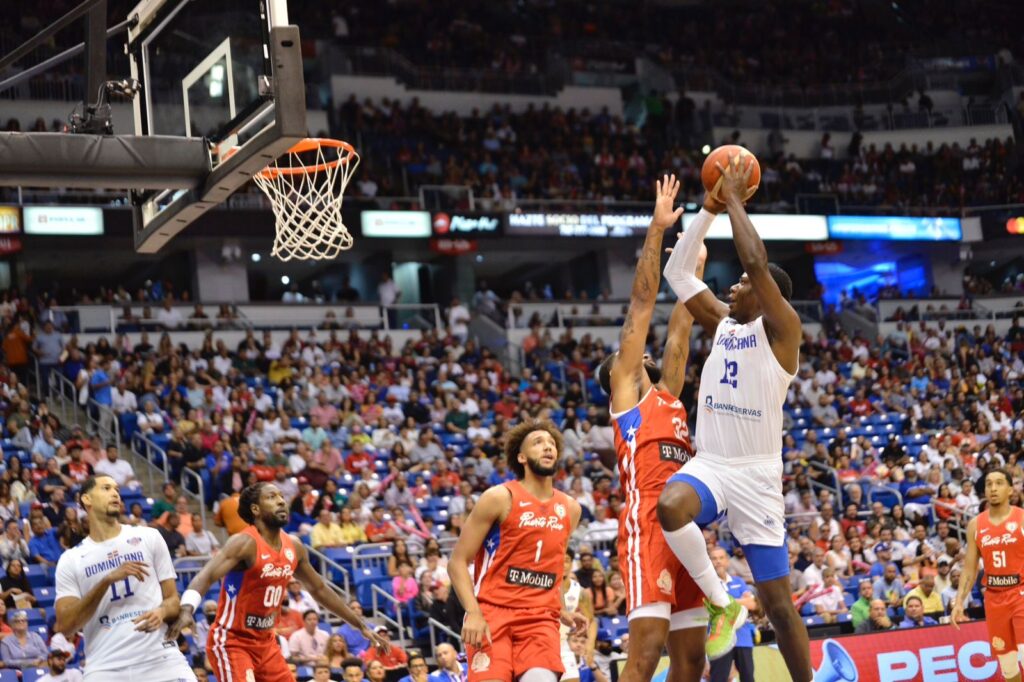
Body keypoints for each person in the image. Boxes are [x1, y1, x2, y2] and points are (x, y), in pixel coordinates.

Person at [658, 154, 810, 678]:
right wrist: (708, 209)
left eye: (741, 285)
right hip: (714, 464)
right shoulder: (722, 321)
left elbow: (758, 266)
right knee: (671, 505)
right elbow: (676, 271)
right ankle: (722, 602)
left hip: (758, 476)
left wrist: (738, 200)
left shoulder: (784, 333)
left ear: (767, 298)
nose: (733, 287)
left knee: (779, 606)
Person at [593, 174, 708, 678]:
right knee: (646, 653)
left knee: (693, 657)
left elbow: (681, 329)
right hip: (647, 529)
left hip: (687, 528)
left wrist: (693, 263)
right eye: (627, 357)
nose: (635, 357)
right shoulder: (627, 399)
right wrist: (658, 232)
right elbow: (642, 305)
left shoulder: (669, 396)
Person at [167, 482, 388, 682]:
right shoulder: (244, 543)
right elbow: (205, 576)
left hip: (266, 643)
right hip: (232, 641)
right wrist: (187, 608)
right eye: (272, 497)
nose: (281, 501)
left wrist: (359, 624)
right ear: (256, 509)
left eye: (281, 496)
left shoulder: (294, 545)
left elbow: (319, 589)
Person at [448, 420, 587, 682]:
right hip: (492, 614)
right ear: (521, 457)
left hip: (540, 619)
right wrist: (474, 613)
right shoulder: (498, 497)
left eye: (551, 444)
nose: (547, 447)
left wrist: (561, 610)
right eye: (538, 443)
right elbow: (457, 562)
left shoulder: (570, 508)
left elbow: (552, 566)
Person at [53, 475, 196, 681]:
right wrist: (106, 581)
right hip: (105, 666)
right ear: (86, 499)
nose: (115, 493)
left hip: (160, 658)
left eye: (117, 489)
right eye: (106, 488)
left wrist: (162, 611)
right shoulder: (71, 559)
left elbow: (173, 600)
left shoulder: (149, 537)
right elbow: (65, 626)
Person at [952, 468, 1024, 681]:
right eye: (989, 484)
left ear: (1011, 490)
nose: (993, 488)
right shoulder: (976, 524)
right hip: (994, 599)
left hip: (1020, 593)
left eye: (999, 483)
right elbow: (969, 568)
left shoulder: (1022, 519)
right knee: (1009, 667)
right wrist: (959, 602)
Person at [708, 547, 756, 682]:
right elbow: (714, 605)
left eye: (721, 558)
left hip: (743, 637)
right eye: (714, 558)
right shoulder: (708, 585)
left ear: (727, 561)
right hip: (719, 639)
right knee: (719, 679)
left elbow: (753, 604)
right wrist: (742, 601)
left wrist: (727, 602)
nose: (718, 562)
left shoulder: (738, 581)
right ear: (709, 562)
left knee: (748, 678)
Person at [560, 551, 596, 682]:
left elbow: (591, 621)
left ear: (572, 564)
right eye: (560, 560)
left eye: (567, 560)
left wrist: (590, 647)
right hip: (539, 644)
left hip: (562, 645)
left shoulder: (580, 591)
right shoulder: (539, 584)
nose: (563, 564)